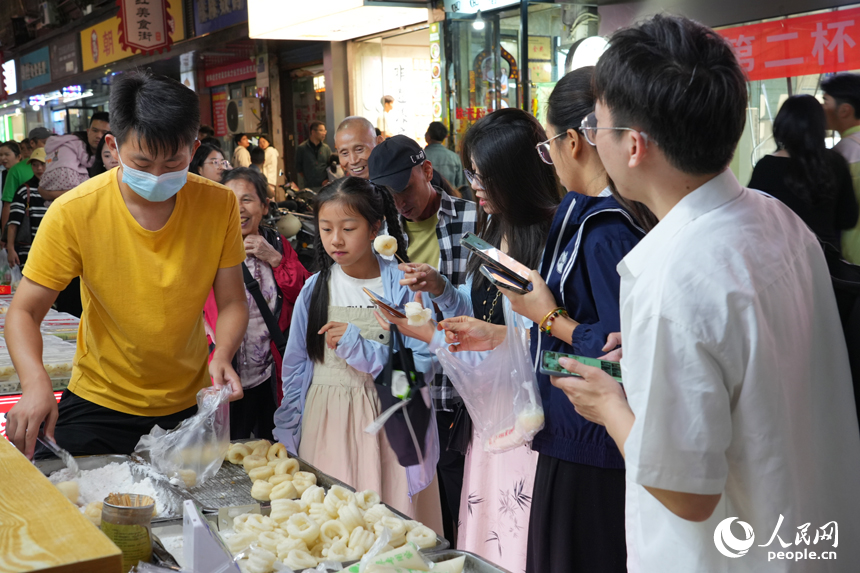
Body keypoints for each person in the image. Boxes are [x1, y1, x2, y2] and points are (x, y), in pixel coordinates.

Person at [551, 14, 860, 571]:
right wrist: (646, 364)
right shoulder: (776, 218)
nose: (592, 141)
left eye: (596, 127)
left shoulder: (674, 277)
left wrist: (611, 406)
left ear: (635, 146)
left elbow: (687, 494)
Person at [4, 70, 249, 459]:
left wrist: (221, 354)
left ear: (194, 147)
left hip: (190, 404)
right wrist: (35, 382)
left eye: (173, 163)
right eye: (142, 161)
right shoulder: (74, 211)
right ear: (113, 146)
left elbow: (234, 301)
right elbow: (24, 311)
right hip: (99, 401)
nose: (157, 176)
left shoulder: (219, 204)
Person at [393, 108, 563, 570]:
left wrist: (499, 335)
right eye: (472, 173)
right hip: (489, 420)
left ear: (517, 175)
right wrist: (445, 292)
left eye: (485, 176)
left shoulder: (554, 237)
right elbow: (480, 307)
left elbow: (569, 341)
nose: (475, 186)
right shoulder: (492, 229)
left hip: (535, 425)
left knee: (519, 538)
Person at [504, 68, 645, 573]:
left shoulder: (608, 229)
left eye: (547, 146)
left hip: (595, 443)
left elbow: (622, 358)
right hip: (569, 429)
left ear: (574, 140)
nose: (551, 158)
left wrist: (552, 318)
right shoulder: (577, 209)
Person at [272, 176, 443, 533]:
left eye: (348, 228)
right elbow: (297, 366)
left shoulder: (402, 286)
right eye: (326, 228)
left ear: (375, 229)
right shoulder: (315, 289)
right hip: (327, 421)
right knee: (335, 528)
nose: (336, 239)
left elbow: (423, 364)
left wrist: (362, 349)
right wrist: (288, 429)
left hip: (389, 422)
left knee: (392, 526)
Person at [369, 134, 477, 546]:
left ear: (428, 171)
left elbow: (485, 310)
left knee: (460, 506)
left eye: (405, 189)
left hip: (458, 393)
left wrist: (441, 288)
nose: (400, 203)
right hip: (406, 392)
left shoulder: (472, 221)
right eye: (388, 194)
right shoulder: (379, 237)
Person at [204, 168, 309, 440]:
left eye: (247, 199)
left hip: (272, 374)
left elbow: (306, 297)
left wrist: (276, 259)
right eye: (230, 198)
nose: (238, 208)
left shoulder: (277, 243)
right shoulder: (206, 248)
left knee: (276, 449)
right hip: (224, 371)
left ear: (264, 206)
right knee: (229, 452)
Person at [749, 95, 858, 251]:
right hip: (826, 259)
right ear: (819, 126)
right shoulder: (837, 163)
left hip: (781, 257)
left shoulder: (766, 167)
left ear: (782, 125)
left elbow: (752, 217)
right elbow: (848, 219)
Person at [822, 73, 860, 263]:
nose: (821, 108)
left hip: (851, 257)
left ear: (844, 110)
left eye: (825, 101)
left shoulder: (840, 155)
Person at [38, 111, 109, 200]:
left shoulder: (114, 160)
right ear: (88, 131)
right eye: (95, 131)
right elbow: (42, 191)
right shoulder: (71, 151)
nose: (98, 136)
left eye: (104, 132)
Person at [6, 147, 49, 268]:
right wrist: (11, 249)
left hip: (54, 249)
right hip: (30, 251)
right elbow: (13, 223)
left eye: (42, 164)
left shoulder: (58, 189)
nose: (39, 168)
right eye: (35, 165)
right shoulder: (25, 190)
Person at [1, 141, 33, 233]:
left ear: (19, 156)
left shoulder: (16, 172)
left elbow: (7, 205)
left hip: (20, 223)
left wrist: (4, 233)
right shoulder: (3, 174)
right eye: (0, 155)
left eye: (7, 154)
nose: (3, 158)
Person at [424, 122, 466, 189]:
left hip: (428, 198)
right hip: (451, 198)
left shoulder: (421, 157)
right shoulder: (454, 157)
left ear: (428, 137)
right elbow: (460, 185)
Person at [295, 121, 331, 190]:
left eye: (325, 131)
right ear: (313, 132)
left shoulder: (326, 148)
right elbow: (299, 168)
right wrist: (309, 178)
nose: (324, 133)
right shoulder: (302, 148)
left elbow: (330, 166)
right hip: (309, 186)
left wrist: (327, 179)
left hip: (324, 186)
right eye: (321, 130)